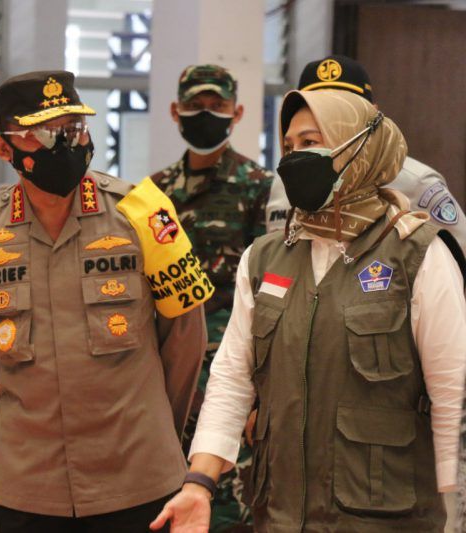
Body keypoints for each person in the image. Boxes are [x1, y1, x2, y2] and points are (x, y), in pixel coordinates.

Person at [151, 89, 466, 532]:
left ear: (358, 148)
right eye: (290, 145)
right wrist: (199, 484)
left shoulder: (417, 254)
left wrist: (455, 513)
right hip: (280, 515)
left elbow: (454, 395)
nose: (296, 157)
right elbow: (232, 380)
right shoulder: (263, 258)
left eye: (312, 141)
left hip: (384, 518)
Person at [0, 70, 212, 532]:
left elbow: (186, 339)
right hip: (31, 483)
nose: (64, 144)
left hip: (138, 474)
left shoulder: (144, 214)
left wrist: (150, 423)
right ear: (4, 148)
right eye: (43, 133)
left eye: (73, 128)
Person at [149, 64, 273, 532]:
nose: (206, 114)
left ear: (237, 113)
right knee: (164, 500)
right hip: (167, 377)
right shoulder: (155, 192)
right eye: (195, 105)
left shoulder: (259, 187)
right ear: (175, 111)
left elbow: (269, 291)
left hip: (231, 375)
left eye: (217, 105)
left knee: (228, 509)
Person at [266, 55, 466, 266]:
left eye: (345, 109)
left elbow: (458, 260)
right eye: (319, 108)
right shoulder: (287, 181)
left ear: (373, 114)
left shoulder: (416, 182)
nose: (331, 120)